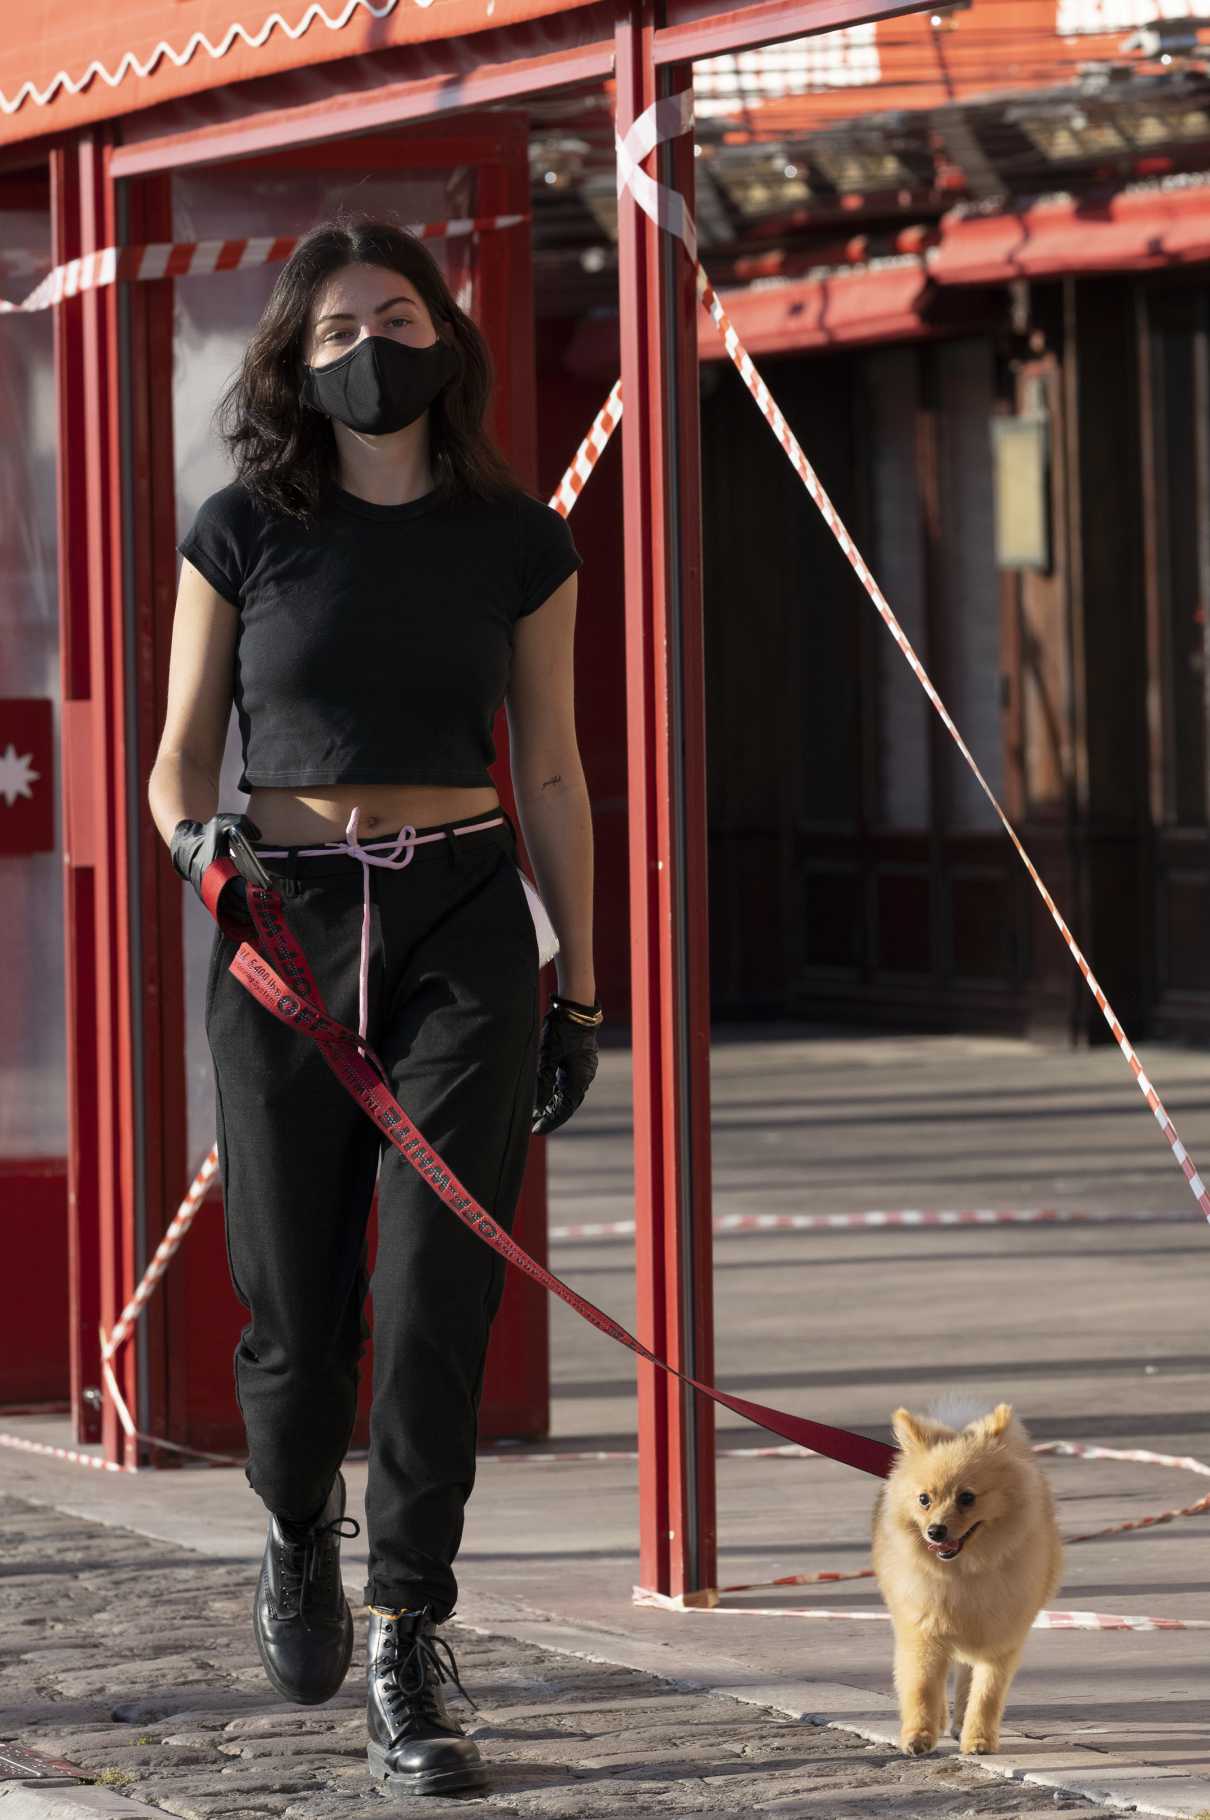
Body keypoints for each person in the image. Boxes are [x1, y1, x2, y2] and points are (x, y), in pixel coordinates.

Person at [146, 214, 601, 1800]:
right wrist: (200, 855)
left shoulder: (516, 538)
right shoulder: (243, 528)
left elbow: (546, 761)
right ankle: (293, 1529)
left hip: (465, 917)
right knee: (290, 1315)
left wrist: (579, 992)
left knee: (431, 1302)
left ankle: (411, 1633)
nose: (365, 350)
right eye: (332, 330)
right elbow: (177, 753)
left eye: (392, 318)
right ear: (291, 356)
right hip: (280, 916)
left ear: (446, 339)